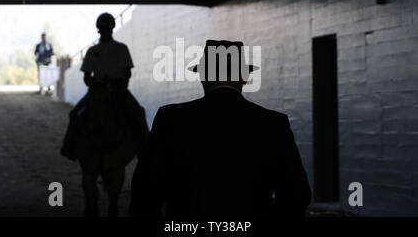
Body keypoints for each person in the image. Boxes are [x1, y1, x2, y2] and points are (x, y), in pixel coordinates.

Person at [129, 39, 311, 217]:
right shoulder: (273, 124)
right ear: (245, 78)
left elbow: (145, 191)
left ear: (203, 77)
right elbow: (296, 193)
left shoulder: (170, 118)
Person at [60, 13, 149, 217]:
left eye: (108, 28)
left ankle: (145, 149)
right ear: (99, 29)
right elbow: (86, 76)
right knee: (76, 114)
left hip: (118, 91)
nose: (105, 31)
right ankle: (69, 146)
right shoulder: (93, 51)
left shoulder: (121, 49)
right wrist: (96, 85)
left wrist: (118, 83)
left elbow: (127, 72)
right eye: (103, 28)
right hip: (97, 91)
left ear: (111, 29)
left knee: (137, 112)